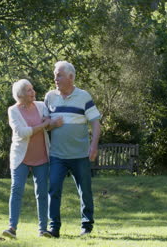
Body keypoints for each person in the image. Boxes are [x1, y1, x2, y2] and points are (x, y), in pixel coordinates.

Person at [45, 61, 101, 238]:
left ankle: (87, 226)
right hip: (57, 155)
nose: (56, 78)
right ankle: (54, 228)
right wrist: (52, 124)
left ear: (70, 77)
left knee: (85, 190)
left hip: (80, 155)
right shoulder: (50, 97)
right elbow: (44, 124)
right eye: (55, 74)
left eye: (59, 75)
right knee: (53, 189)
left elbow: (96, 123)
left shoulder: (83, 96)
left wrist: (93, 145)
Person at [2, 79, 53, 239]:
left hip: (42, 156)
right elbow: (22, 132)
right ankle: (12, 228)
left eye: (32, 89)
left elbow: (49, 123)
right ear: (21, 95)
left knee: (42, 192)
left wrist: (47, 124)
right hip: (20, 157)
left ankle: (43, 229)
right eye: (30, 90)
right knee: (16, 190)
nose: (34, 92)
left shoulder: (41, 106)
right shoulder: (13, 110)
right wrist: (43, 125)